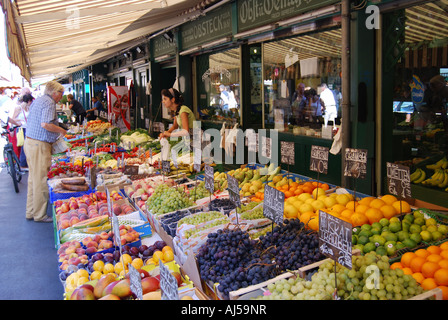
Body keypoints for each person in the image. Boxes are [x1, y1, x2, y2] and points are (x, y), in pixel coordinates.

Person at [24, 81, 67, 223]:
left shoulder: (39, 101)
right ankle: (40, 215)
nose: (61, 97)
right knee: (41, 180)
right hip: (39, 145)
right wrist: (61, 130)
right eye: (61, 94)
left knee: (33, 179)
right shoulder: (49, 102)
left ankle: (31, 211)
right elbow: (46, 124)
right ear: (54, 92)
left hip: (30, 143)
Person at [11, 93, 34, 170]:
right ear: (29, 100)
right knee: (24, 146)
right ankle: (23, 164)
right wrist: (20, 120)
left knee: (28, 146)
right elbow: (13, 118)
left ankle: (26, 163)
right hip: (21, 128)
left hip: (28, 128)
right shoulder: (18, 108)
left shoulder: (28, 108)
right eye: (31, 101)